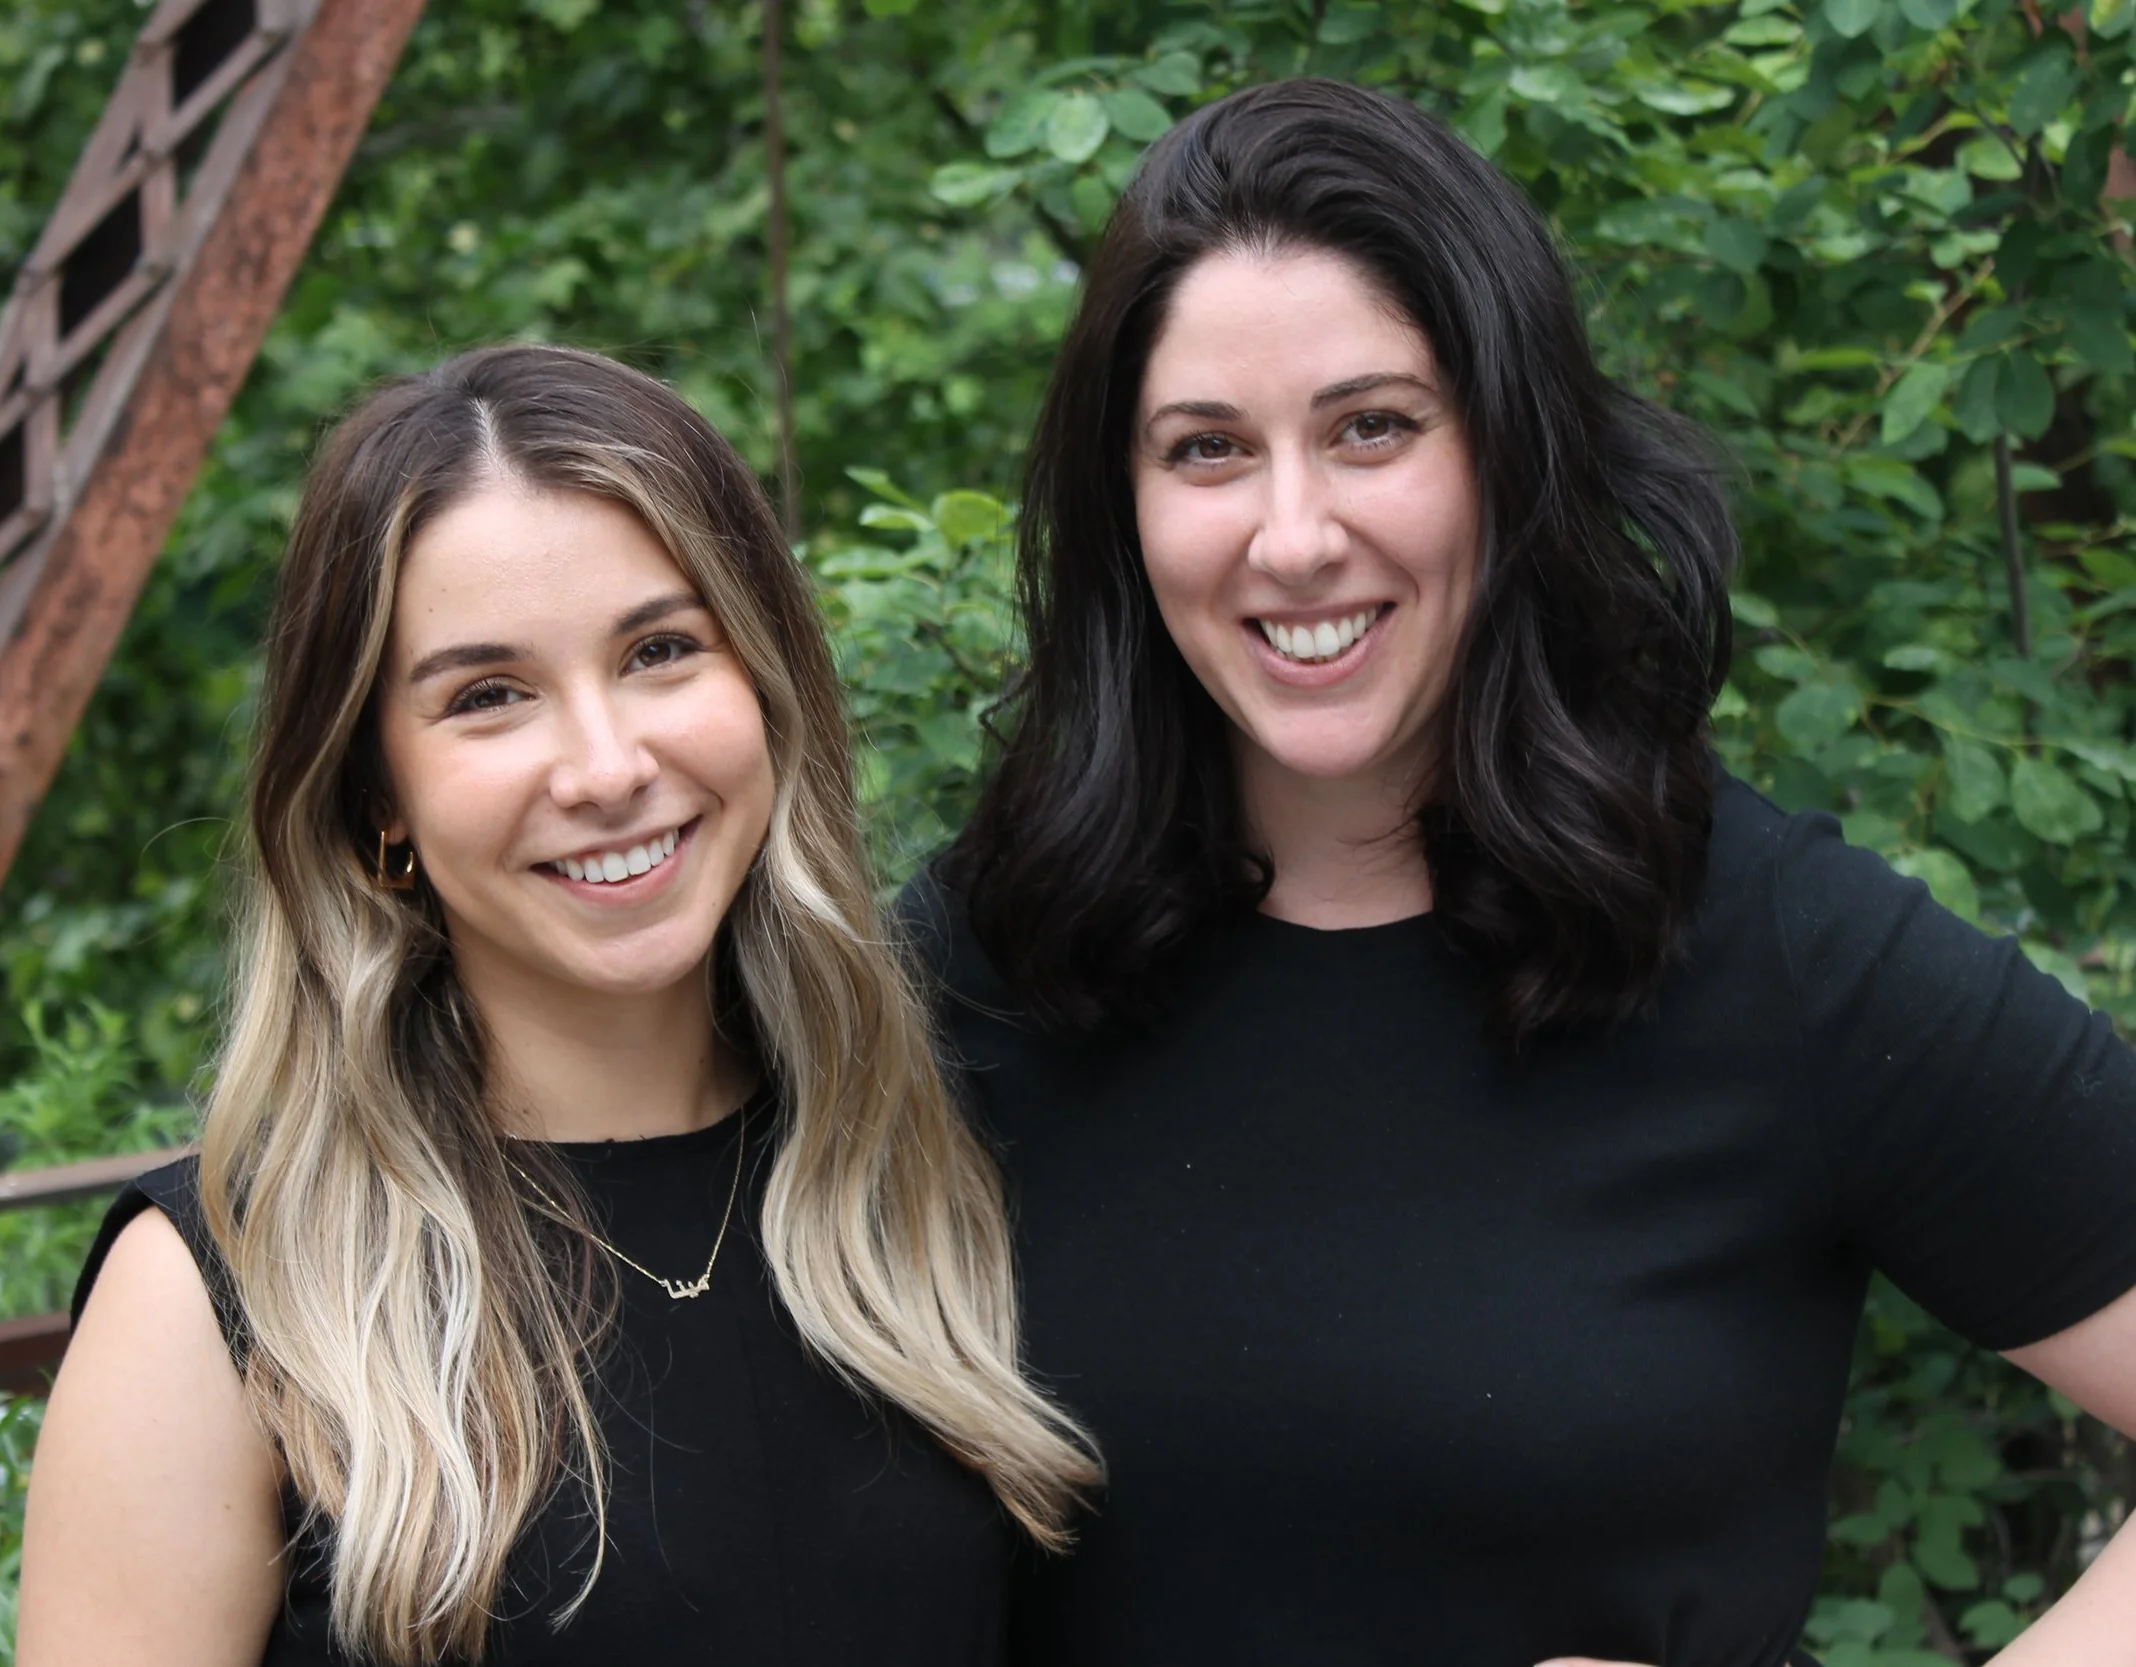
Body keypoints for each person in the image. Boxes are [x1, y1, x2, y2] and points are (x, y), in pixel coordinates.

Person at [909, 78, 2136, 1667]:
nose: (1293, 536)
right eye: (1207, 449)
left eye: (1373, 428)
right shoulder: (976, 970)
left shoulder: (1771, 950)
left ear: (1512, 445)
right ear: (1122, 509)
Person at [16, 344, 1094, 1667]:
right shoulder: (223, 1295)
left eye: (659, 649)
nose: (604, 764)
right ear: (377, 800)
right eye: (488, 696)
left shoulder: (938, 1177)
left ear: (765, 685)